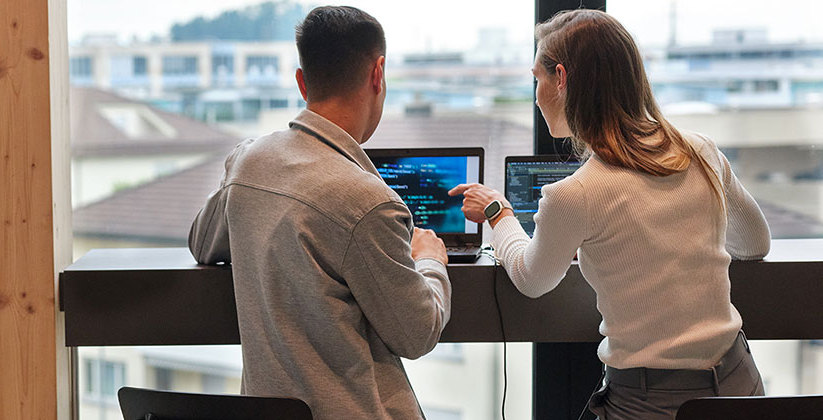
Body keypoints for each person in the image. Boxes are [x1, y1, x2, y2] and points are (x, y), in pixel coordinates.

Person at [449, 9, 771, 419]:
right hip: (740, 383)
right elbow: (756, 243)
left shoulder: (576, 194)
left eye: (537, 79)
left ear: (561, 79)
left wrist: (498, 211)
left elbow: (531, 279)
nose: (535, 94)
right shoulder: (701, 151)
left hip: (651, 402)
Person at [188, 6, 451, 420]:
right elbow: (418, 333)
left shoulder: (249, 161)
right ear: (378, 74)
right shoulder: (369, 202)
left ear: (301, 81)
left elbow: (202, 245)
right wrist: (431, 260)